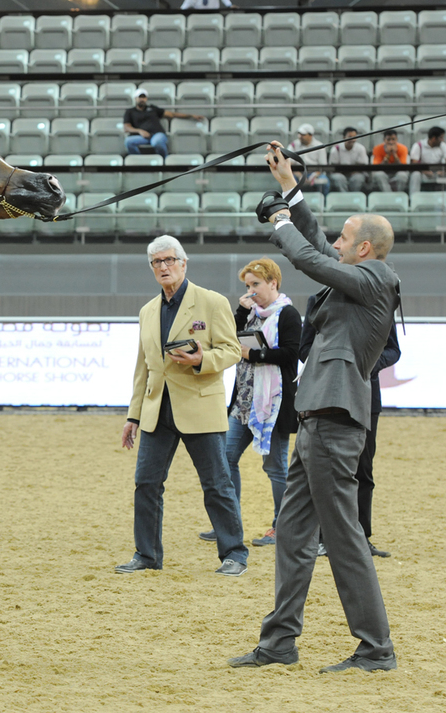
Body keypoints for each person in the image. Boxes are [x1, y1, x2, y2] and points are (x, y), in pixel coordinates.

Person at [230, 141, 399, 674]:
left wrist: (279, 222)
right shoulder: (358, 277)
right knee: (295, 536)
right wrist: (288, 189)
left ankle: (375, 649)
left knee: (343, 538)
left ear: (365, 250)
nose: (337, 243)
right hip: (315, 420)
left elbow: (305, 256)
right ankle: (280, 643)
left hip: (333, 421)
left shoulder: (375, 281)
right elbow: (320, 247)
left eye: (346, 239)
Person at [116, 235, 247, 577]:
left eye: (169, 260)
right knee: (145, 484)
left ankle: (234, 553)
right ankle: (146, 554)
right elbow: (143, 366)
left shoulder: (212, 302)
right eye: (157, 262)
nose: (163, 267)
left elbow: (232, 351)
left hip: (200, 407)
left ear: (184, 263)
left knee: (217, 485)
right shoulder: (148, 311)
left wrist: (201, 358)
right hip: (156, 411)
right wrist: (133, 415)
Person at [299, 294, 400, 559]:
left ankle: (362, 537)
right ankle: (322, 537)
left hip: (365, 396)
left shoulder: (379, 300)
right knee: (323, 470)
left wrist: (365, 364)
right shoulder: (318, 300)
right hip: (325, 397)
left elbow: (393, 350)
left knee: (363, 469)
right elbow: (304, 348)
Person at [218, 258, 300, 549]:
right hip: (243, 402)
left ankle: (283, 526)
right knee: (225, 459)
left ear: (273, 283)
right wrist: (241, 310)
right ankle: (229, 523)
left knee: (275, 467)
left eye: (255, 284)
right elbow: (230, 338)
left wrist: (253, 356)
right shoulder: (250, 313)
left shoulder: (288, 314)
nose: (250, 290)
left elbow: (292, 354)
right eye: (247, 285)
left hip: (274, 403)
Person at [123, 88, 205, 159]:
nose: (142, 99)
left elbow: (171, 114)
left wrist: (191, 116)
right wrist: (140, 131)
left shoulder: (152, 108)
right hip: (142, 137)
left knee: (157, 142)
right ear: (135, 98)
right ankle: (138, 161)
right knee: (128, 142)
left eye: (144, 97)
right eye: (140, 97)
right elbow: (127, 127)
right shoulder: (130, 111)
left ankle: (164, 161)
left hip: (156, 134)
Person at [287, 124, 329, 196]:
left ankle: (323, 201)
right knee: (289, 181)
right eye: (299, 134)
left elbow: (323, 166)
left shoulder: (319, 146)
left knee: (324, 182)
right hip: (297, 172)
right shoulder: (293, 145)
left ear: (310, 135)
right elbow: (289, 164)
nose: (300, 136)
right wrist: (300, 176)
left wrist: (314, 175)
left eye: (303, 135)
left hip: (315, 173)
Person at [329, 128, 370, 193]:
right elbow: (333, 167)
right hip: (340, 173)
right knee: (338, 178)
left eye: (354, 137)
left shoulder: (361, 148)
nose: (352, 139)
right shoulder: (336, 149)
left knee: (358, 178)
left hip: (356, 172)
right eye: (350, 137)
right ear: (344, 137)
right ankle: (345, 197)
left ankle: (353, 196)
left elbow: (363, 165)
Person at [408, 126, 445, 195]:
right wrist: (425, 171)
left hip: (438, 172)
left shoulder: (443, 146)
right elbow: (414, 163)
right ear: (434, 138)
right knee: (415, 175)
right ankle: (413, 198)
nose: (443, 140)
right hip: (423, 172)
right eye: (441, 137)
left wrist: (443, 171)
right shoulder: (418, 145)